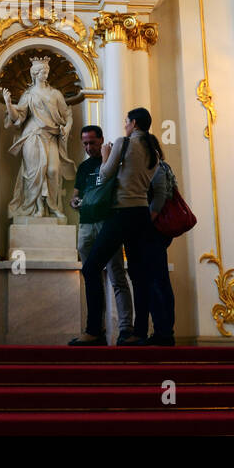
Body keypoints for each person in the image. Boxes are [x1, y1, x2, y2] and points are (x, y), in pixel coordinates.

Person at [70, 107, 164, 346]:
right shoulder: (154, 150)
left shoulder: (123, 142)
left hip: (121, 213)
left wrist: (106, 154)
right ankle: (137, 332)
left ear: (133, 123)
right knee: (138, 274)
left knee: (91, 269)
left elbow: (105, 172)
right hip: (141, 214)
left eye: (126, 121)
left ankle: (94, 331)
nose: (125, 125)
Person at [72, 125, 134, 345]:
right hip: (86, 224)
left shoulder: (112, 162)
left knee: (117, 275)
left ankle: (126, 328)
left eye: (93, 143)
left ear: (102, 141)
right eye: (85, 144)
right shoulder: (84, 167)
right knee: (91, 276)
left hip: (107, 222)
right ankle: (96, 329)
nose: (89, 147)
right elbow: (76, 194)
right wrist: (75, 202)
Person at [137, 132, 177, 345]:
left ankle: (164, 332)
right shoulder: (159, 167)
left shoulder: (158, 168)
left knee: (157, 282)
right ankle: (163, 331)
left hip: (155, 231)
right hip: (156, 232)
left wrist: (148, 221)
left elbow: (160, 197)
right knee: (157, 281)